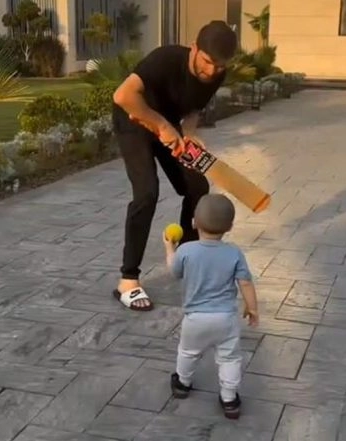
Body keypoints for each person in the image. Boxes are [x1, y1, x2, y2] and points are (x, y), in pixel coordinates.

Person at [110, 20, 238, 311]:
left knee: (197, 186)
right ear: (194, 48)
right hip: (133, 120)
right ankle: (128, 281)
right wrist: (161, 125)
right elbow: (123, 95)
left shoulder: (217, 73)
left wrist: (189, 134)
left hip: (166, 124)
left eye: (219, 66)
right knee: (147, 193)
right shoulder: (165, 59)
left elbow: (193, 108)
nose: (212, 71)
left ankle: (187, 256)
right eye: (207, 62)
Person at [163, 194, 259, 419]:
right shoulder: (234, 252)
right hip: (225, 319)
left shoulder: (186, 250)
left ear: (194, 222)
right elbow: (245, 282)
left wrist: (170, 250)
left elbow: (174, 272)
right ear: (230, 226)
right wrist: (252, 307)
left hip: (195, 318)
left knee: (188, 352)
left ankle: (183, 384)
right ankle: (229, 399)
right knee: (229, 358)